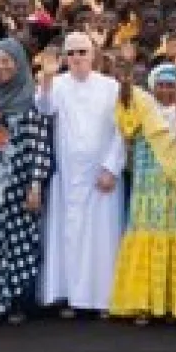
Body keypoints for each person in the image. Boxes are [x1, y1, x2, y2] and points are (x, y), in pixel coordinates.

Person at [37, 31, 126, 316]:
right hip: (69, 176)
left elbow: (122, 130)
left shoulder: (110, 87)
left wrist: (112, 167)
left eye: (82, 52)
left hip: (102, 175)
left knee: (103, 237)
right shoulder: (58, 84)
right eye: (71, 53)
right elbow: (44, 107)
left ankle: (104, 300)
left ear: (93, 55)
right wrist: (48, 78)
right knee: (71, 235)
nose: (77, 58)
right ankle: (73, 298)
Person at [0, 37, 53, 324]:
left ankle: (18, 302)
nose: (0, 66)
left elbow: (40, 144)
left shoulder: (32, 99)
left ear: (19, 64)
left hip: (19, 182)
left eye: (7, 61)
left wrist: (35, 184)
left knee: (20, 241)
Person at [110, 62, 176, 324]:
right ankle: (143, 304)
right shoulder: (144, 108)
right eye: (161, 85)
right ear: (152, 87)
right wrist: (125, 83)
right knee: (147, 235)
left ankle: (174, 305)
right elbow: (125, 115)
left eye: (171, 85)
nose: (166, 90)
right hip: (148, 187)